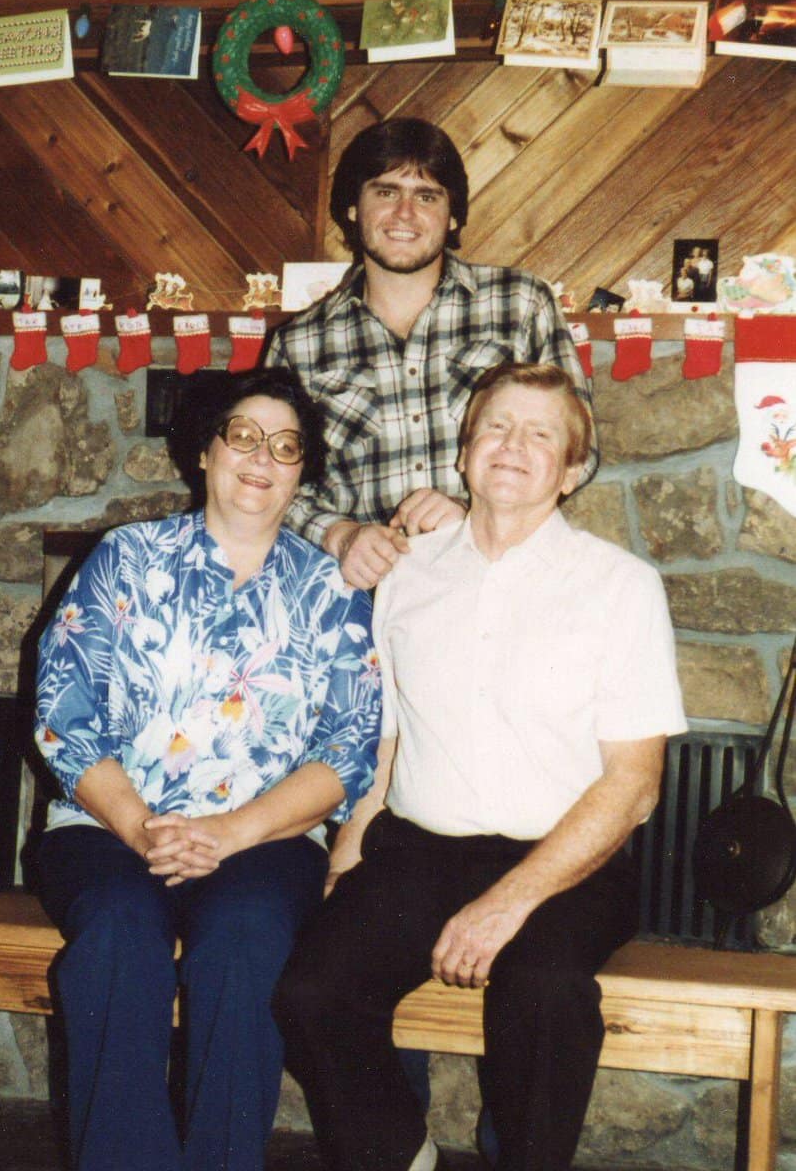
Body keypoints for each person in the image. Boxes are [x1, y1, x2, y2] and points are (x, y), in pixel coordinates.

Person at [274, 363, 687, 1171]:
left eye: (541, 435)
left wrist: (508, 902)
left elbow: (633, 784)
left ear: (571, 472)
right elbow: (390, 740)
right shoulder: (407, 574)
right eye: (496, 426)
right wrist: (346, 855)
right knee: (310, 994)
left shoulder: (620, 587)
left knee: (544, 993)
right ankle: (402, 1156)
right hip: (418, 852)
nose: (513, 446)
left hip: (565, 864)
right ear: (464, 455)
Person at [34, 367, 382, 1171]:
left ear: (302, 473)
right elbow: (63, 713)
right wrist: (143, 827)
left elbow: (348, 747)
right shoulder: (126, 558)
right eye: (244, 436)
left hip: (263, 841)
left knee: (246, 939)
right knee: (118, 935)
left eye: (287, 447)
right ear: (204, 450)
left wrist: (225, 835)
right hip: (107, 829)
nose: (262, 458)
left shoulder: (331, 590)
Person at [266, 117, 594, 590]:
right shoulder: (298, 345)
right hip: (370, 601)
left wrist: (476, 519)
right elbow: (276, 479)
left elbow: (580, 451)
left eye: (426, 196)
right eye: (384, 191)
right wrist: (341, 535)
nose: (404, 213)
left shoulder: (520, 304)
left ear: (453, 214)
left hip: (509, 582)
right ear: (354, 209)